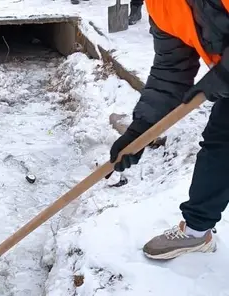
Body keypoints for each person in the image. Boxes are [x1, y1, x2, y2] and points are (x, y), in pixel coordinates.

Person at [108, 0, 229, 260]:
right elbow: (170, 71)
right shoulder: (162, 5)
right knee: (221, 145)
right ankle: (196, 233)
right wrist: (141, 129)